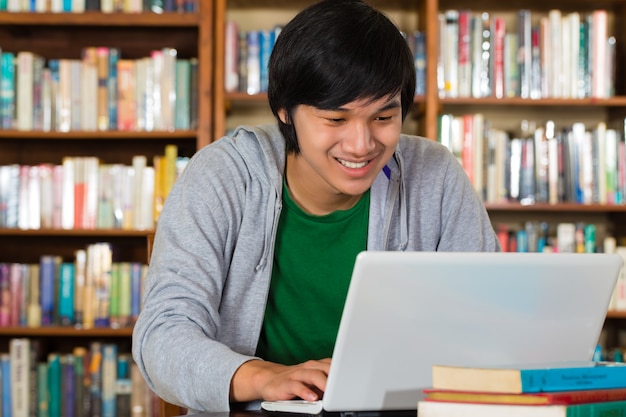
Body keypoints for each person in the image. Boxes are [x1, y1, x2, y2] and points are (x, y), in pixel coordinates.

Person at [132, 0, 501, 413]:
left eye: (383, 117)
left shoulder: (436, 174)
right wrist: (263, 377)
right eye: (335, 120)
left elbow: (487, 321)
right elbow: (162, 336)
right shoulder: (223, 176)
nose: (362, 145)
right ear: (285, 112)